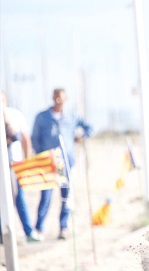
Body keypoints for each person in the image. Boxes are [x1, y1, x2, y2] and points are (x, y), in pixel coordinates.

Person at [31, 88, 92, 240]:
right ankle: (39, 229)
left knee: (66, 196)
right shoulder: (42, 117)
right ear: (53, 98)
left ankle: (63, 228)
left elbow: (88, 127)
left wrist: (82, 137)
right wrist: (41, 156)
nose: (58, 100)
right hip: (48, 163)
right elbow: (35, 138)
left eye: (61, 97)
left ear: (65, 99)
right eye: (56, 97)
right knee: (45, 196)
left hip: (66, 162)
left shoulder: (71, 116)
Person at [2, 91, 42, 243]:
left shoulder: (15, 115)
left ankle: (28, 231)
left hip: (15, 163)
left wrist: (27, 159)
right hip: (2, 165)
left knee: (19, 197)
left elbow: (22, 137)